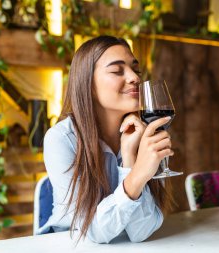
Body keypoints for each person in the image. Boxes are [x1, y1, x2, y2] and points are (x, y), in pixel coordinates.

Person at [36, 35, 173, 243]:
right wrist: (136, 176)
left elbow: (141, 232)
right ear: (87, 84)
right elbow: (92, 232)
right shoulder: (61, 139)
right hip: (68, 244)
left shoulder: (148, 136)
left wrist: (129, 156)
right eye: (117, 71)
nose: (135, 78)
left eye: (135, 70)